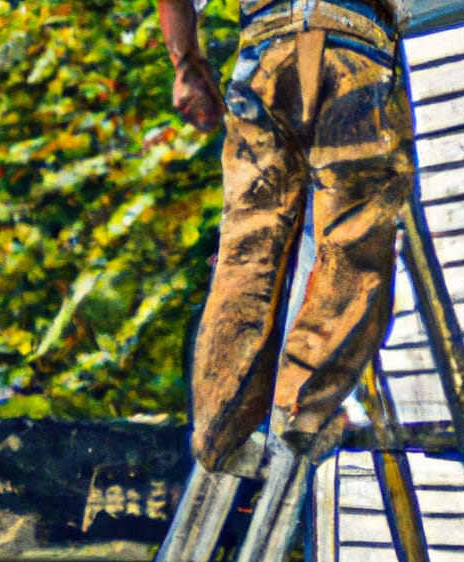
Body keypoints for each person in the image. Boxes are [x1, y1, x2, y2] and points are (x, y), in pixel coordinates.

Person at [157, 0, 414, 472]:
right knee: (353, 243)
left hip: (266, 52)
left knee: (248, 247)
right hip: (352, 45)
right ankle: (301, 409)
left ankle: (218, 426)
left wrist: (187, 66)